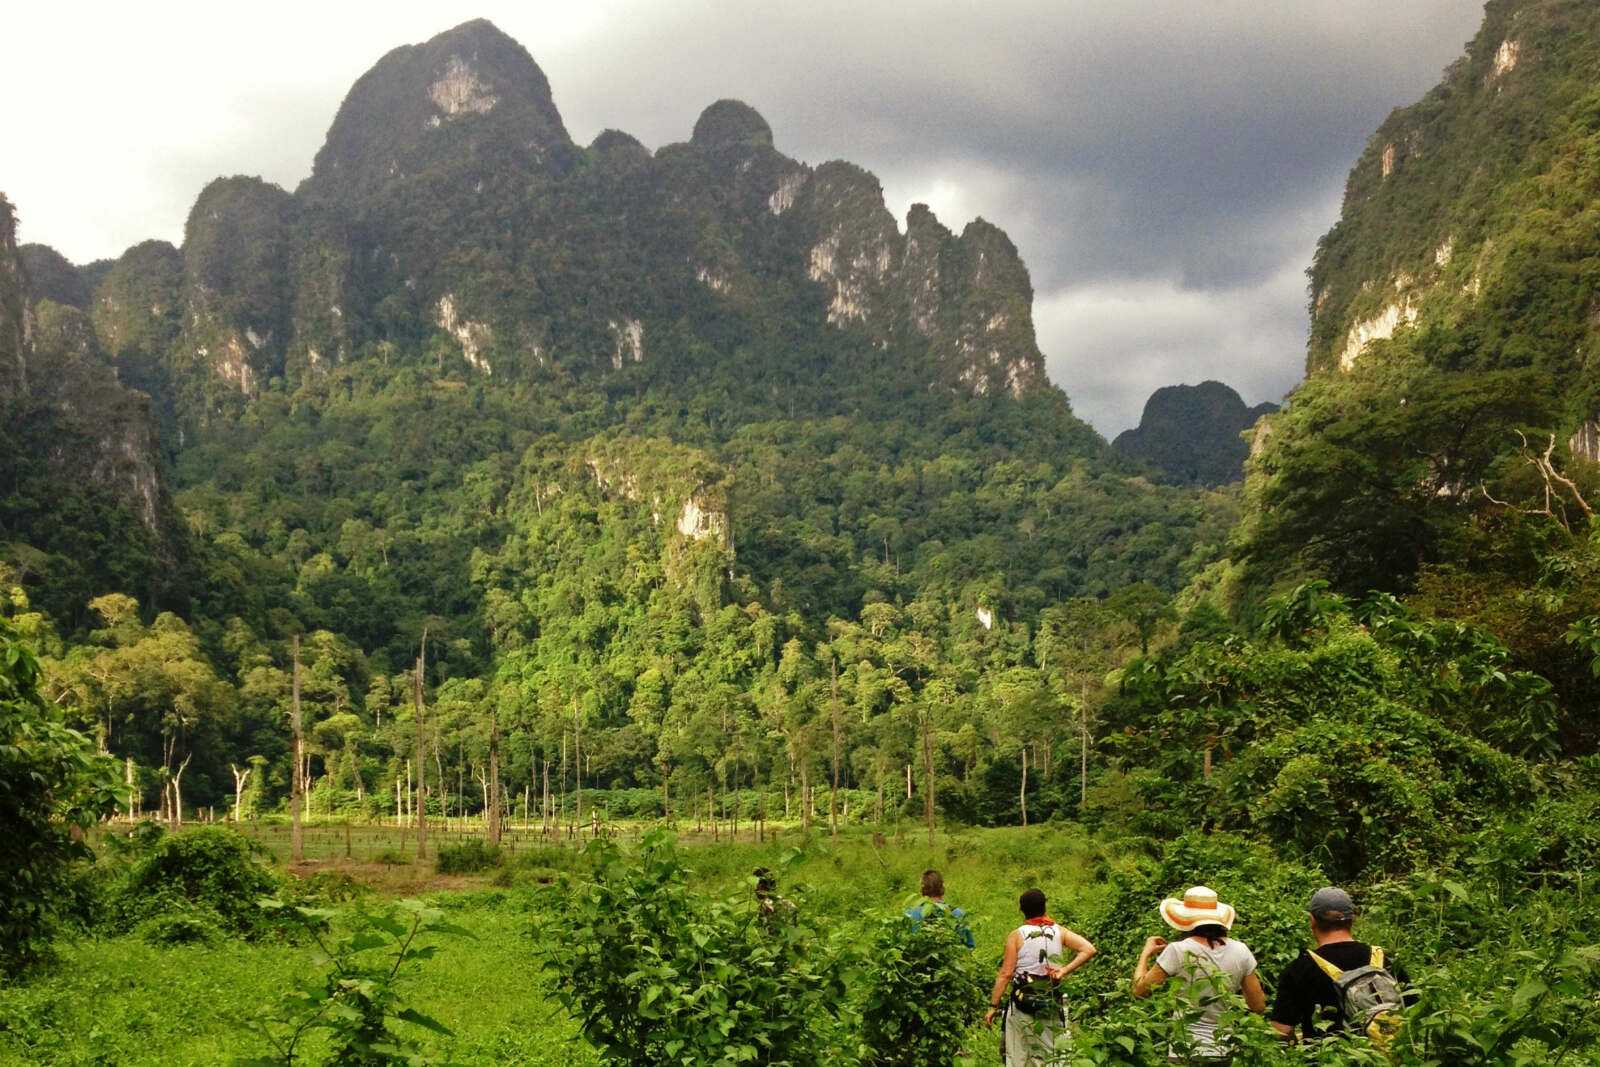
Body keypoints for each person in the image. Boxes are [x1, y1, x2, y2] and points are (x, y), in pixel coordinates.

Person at [1133, 885, 1266, 1063]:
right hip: (1223, 1050)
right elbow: (1258, 1006)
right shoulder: (1241, 951)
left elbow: (1139, 991)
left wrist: (1146, 954)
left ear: (1185, 919)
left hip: (1186, 1049)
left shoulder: (1178, 950)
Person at [1271, 886, 1406, 1043]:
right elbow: (1413, 1016)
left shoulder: (1300, 969)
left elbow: (1281, 1032)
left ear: (1312, 921)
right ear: (1352, 920)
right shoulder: (1385, 960)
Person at [984, 887, 1097, 1065]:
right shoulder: (1059, 932)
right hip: (1050, 1001)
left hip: (1022, 1005)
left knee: (1017, 1055)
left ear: (1021, 910)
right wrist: (1064, 970)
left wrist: (993, 1006)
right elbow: (1088, 949)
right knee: (1053, 1056)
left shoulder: (1016, 936)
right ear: (1045, 907)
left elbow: (1005, 974)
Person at [905, 869, 975, 948]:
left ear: (921, 891)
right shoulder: (958, 914)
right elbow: (970, 947)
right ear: (943, 889)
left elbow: (905, 945)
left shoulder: (910, 914)